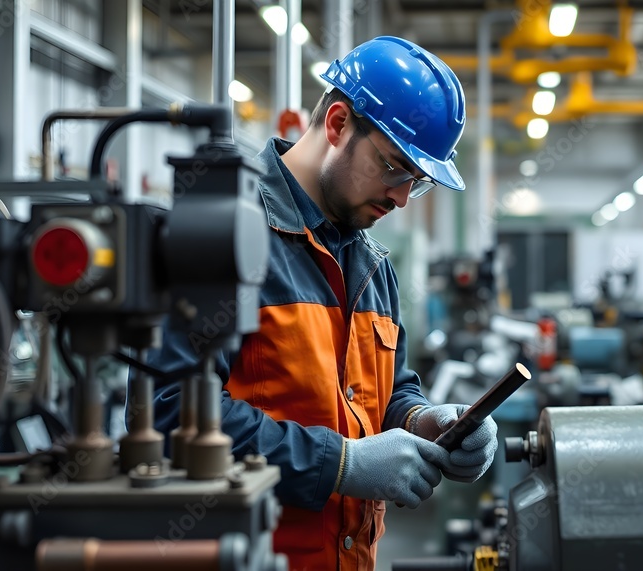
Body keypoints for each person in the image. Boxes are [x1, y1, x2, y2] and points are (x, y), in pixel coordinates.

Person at [145, 36, 498, 571]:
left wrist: (428, 422)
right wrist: (339, 465)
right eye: (396, 168)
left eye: (417, 183)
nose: (402, 197)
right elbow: (167, 414)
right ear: (337, 125)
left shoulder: (374, 266)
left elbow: (389, 393)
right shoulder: (225, 235)